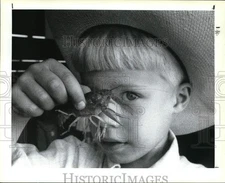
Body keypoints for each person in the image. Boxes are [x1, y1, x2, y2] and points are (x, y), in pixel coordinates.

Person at [12, 10, 214, 168]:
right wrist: (14, 114)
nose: (104, 119)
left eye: (130, 95)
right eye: (91, 94)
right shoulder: (67, 158)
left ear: (179, 98)